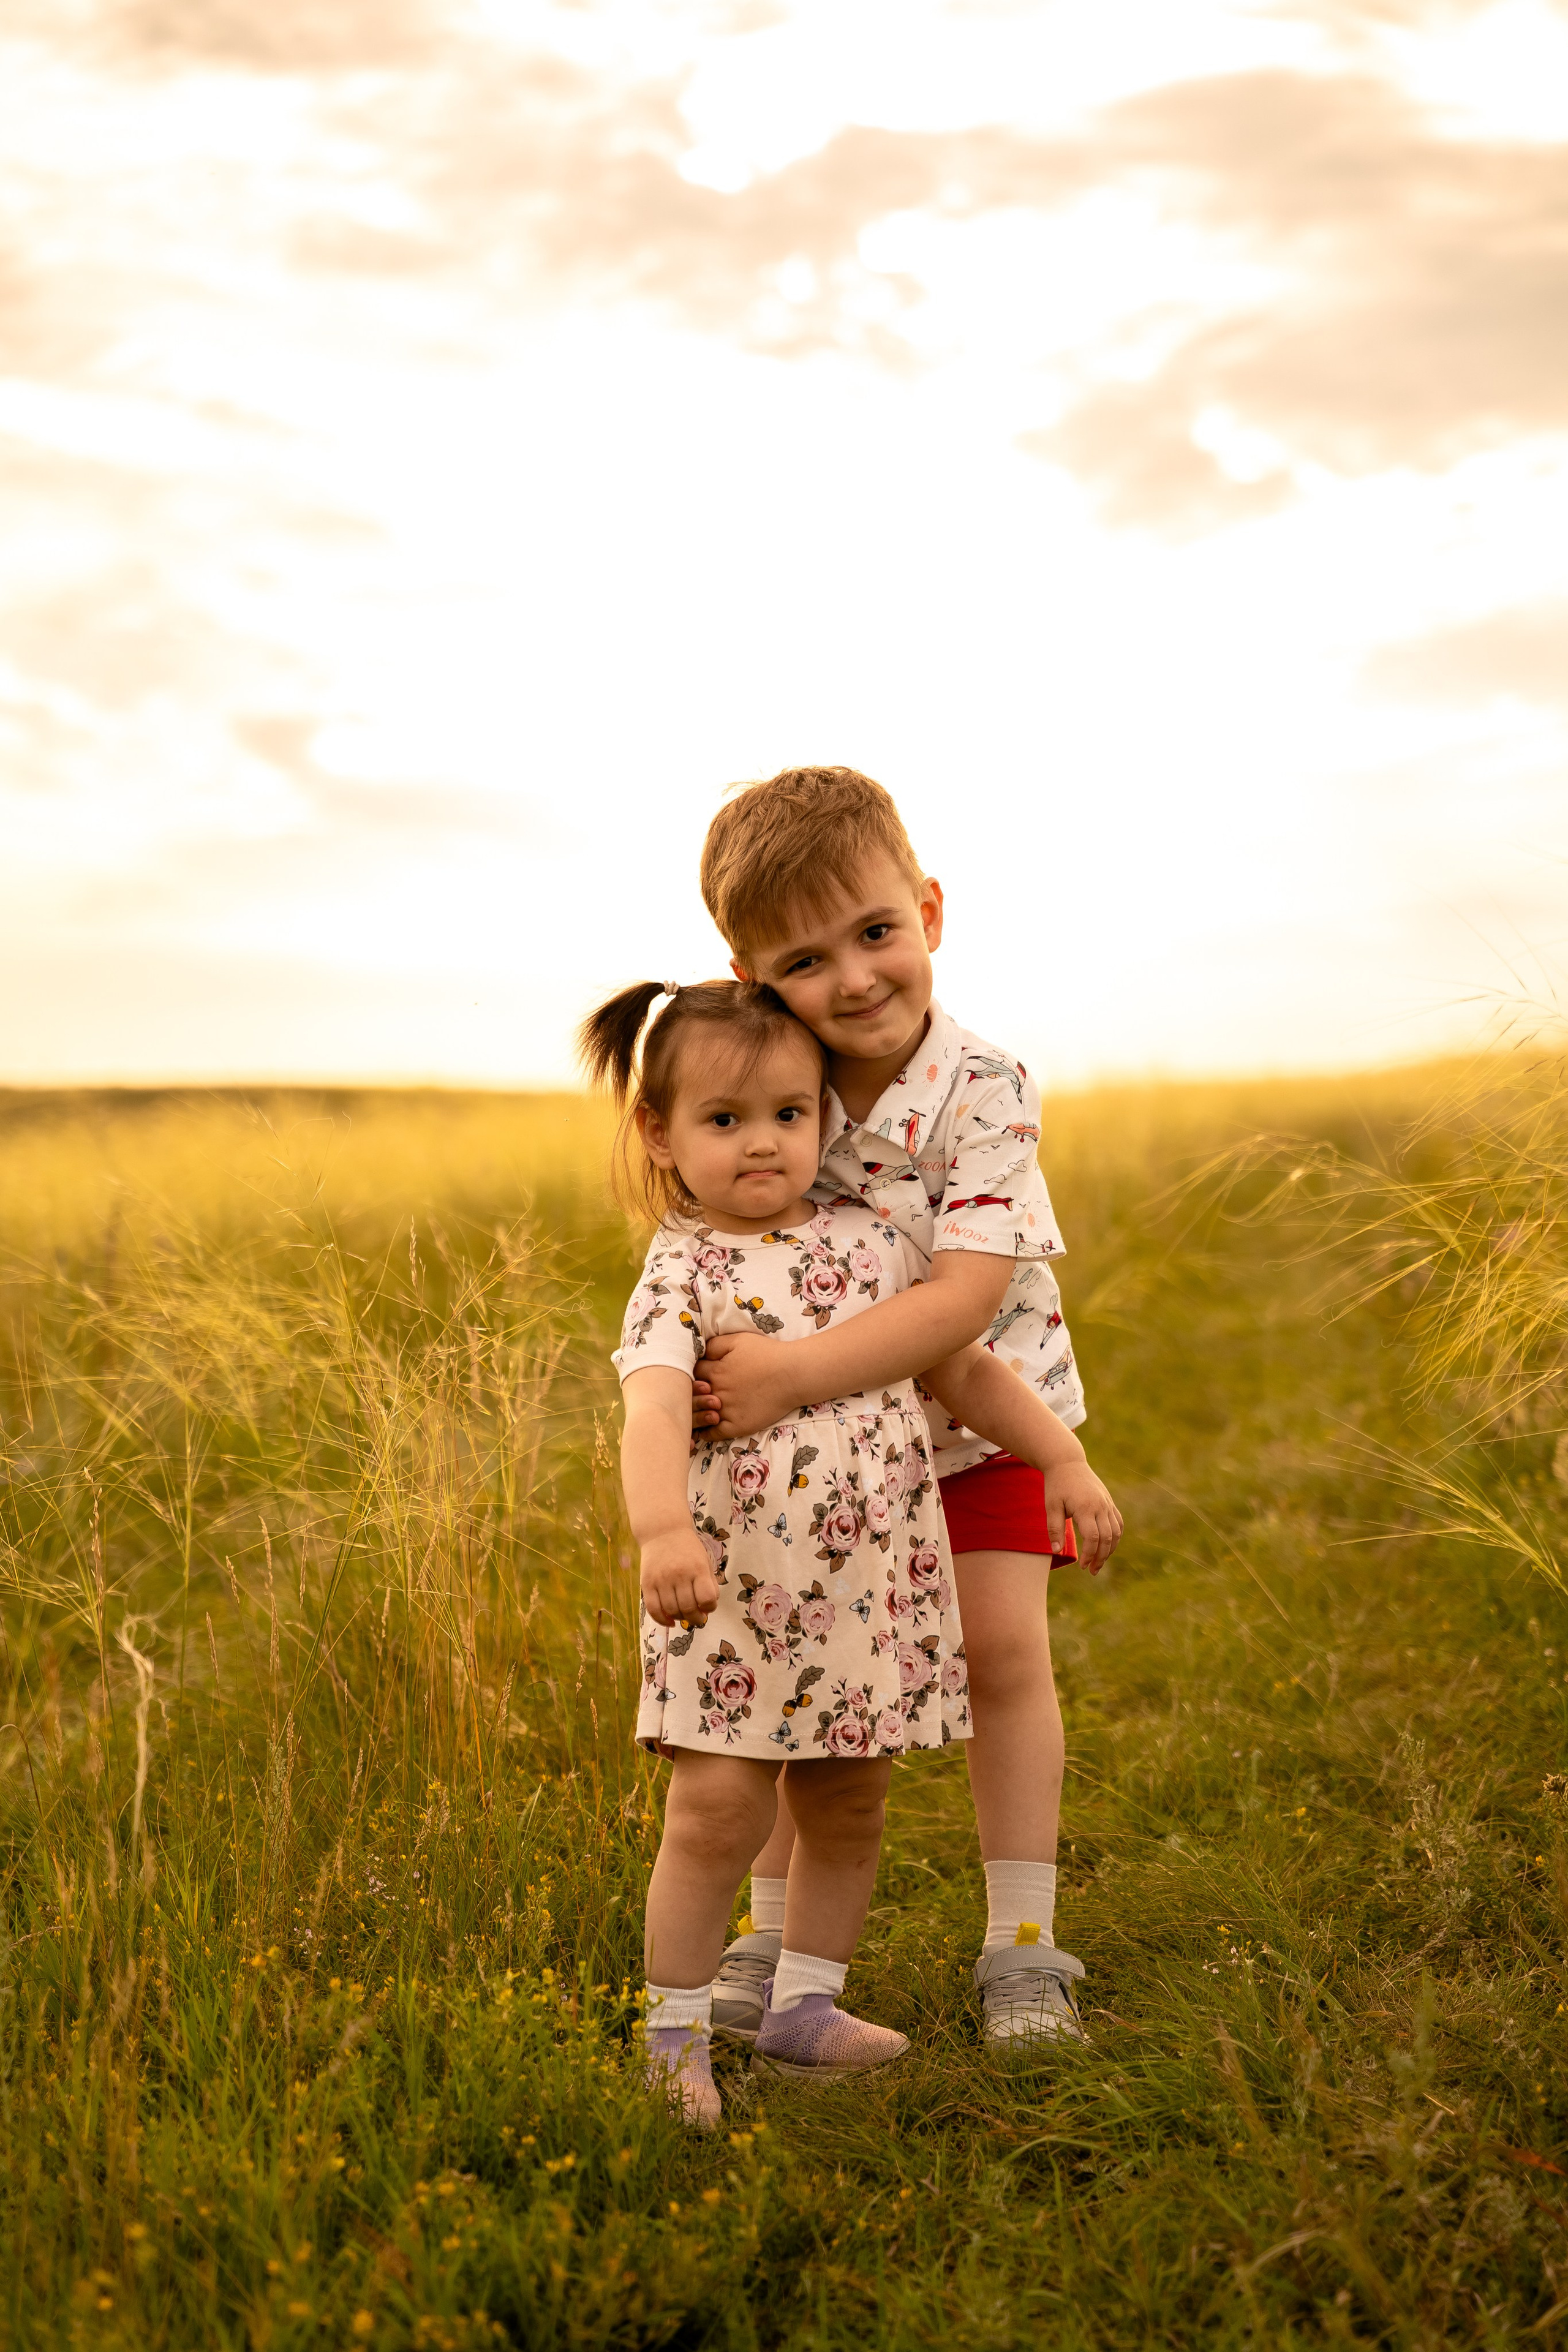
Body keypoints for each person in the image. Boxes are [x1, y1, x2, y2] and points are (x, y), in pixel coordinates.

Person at [581, 974, 1110, 2125]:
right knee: (718, 1809)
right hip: (733, 1589)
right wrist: (662, 1529)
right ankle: (673, 2037)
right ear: (661, 1135)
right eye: (724, 1120)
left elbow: (961, 1367)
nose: (761, 1143)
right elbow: (653, 1411)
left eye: (788, 1114)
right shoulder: (682, 1273)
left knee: (850, 1800)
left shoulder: (873, 1244)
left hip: (867, 1594)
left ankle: (806, 2005)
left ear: (822, 1117)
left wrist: (1061, 1457)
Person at [692, 766, 1123, 2052]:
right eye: (805, 960)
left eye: (875, 931)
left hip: (988, 1426)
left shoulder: (984, 1088)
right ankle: (769, 1944)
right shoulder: (776, 1092)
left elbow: (963, 1302)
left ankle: (1024, 1950)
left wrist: (784, 1374)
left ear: (928, 910)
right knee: (800, 1669)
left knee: (1001, 1654)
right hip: (826, 1455)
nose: (855, 978)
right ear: (752, 977)